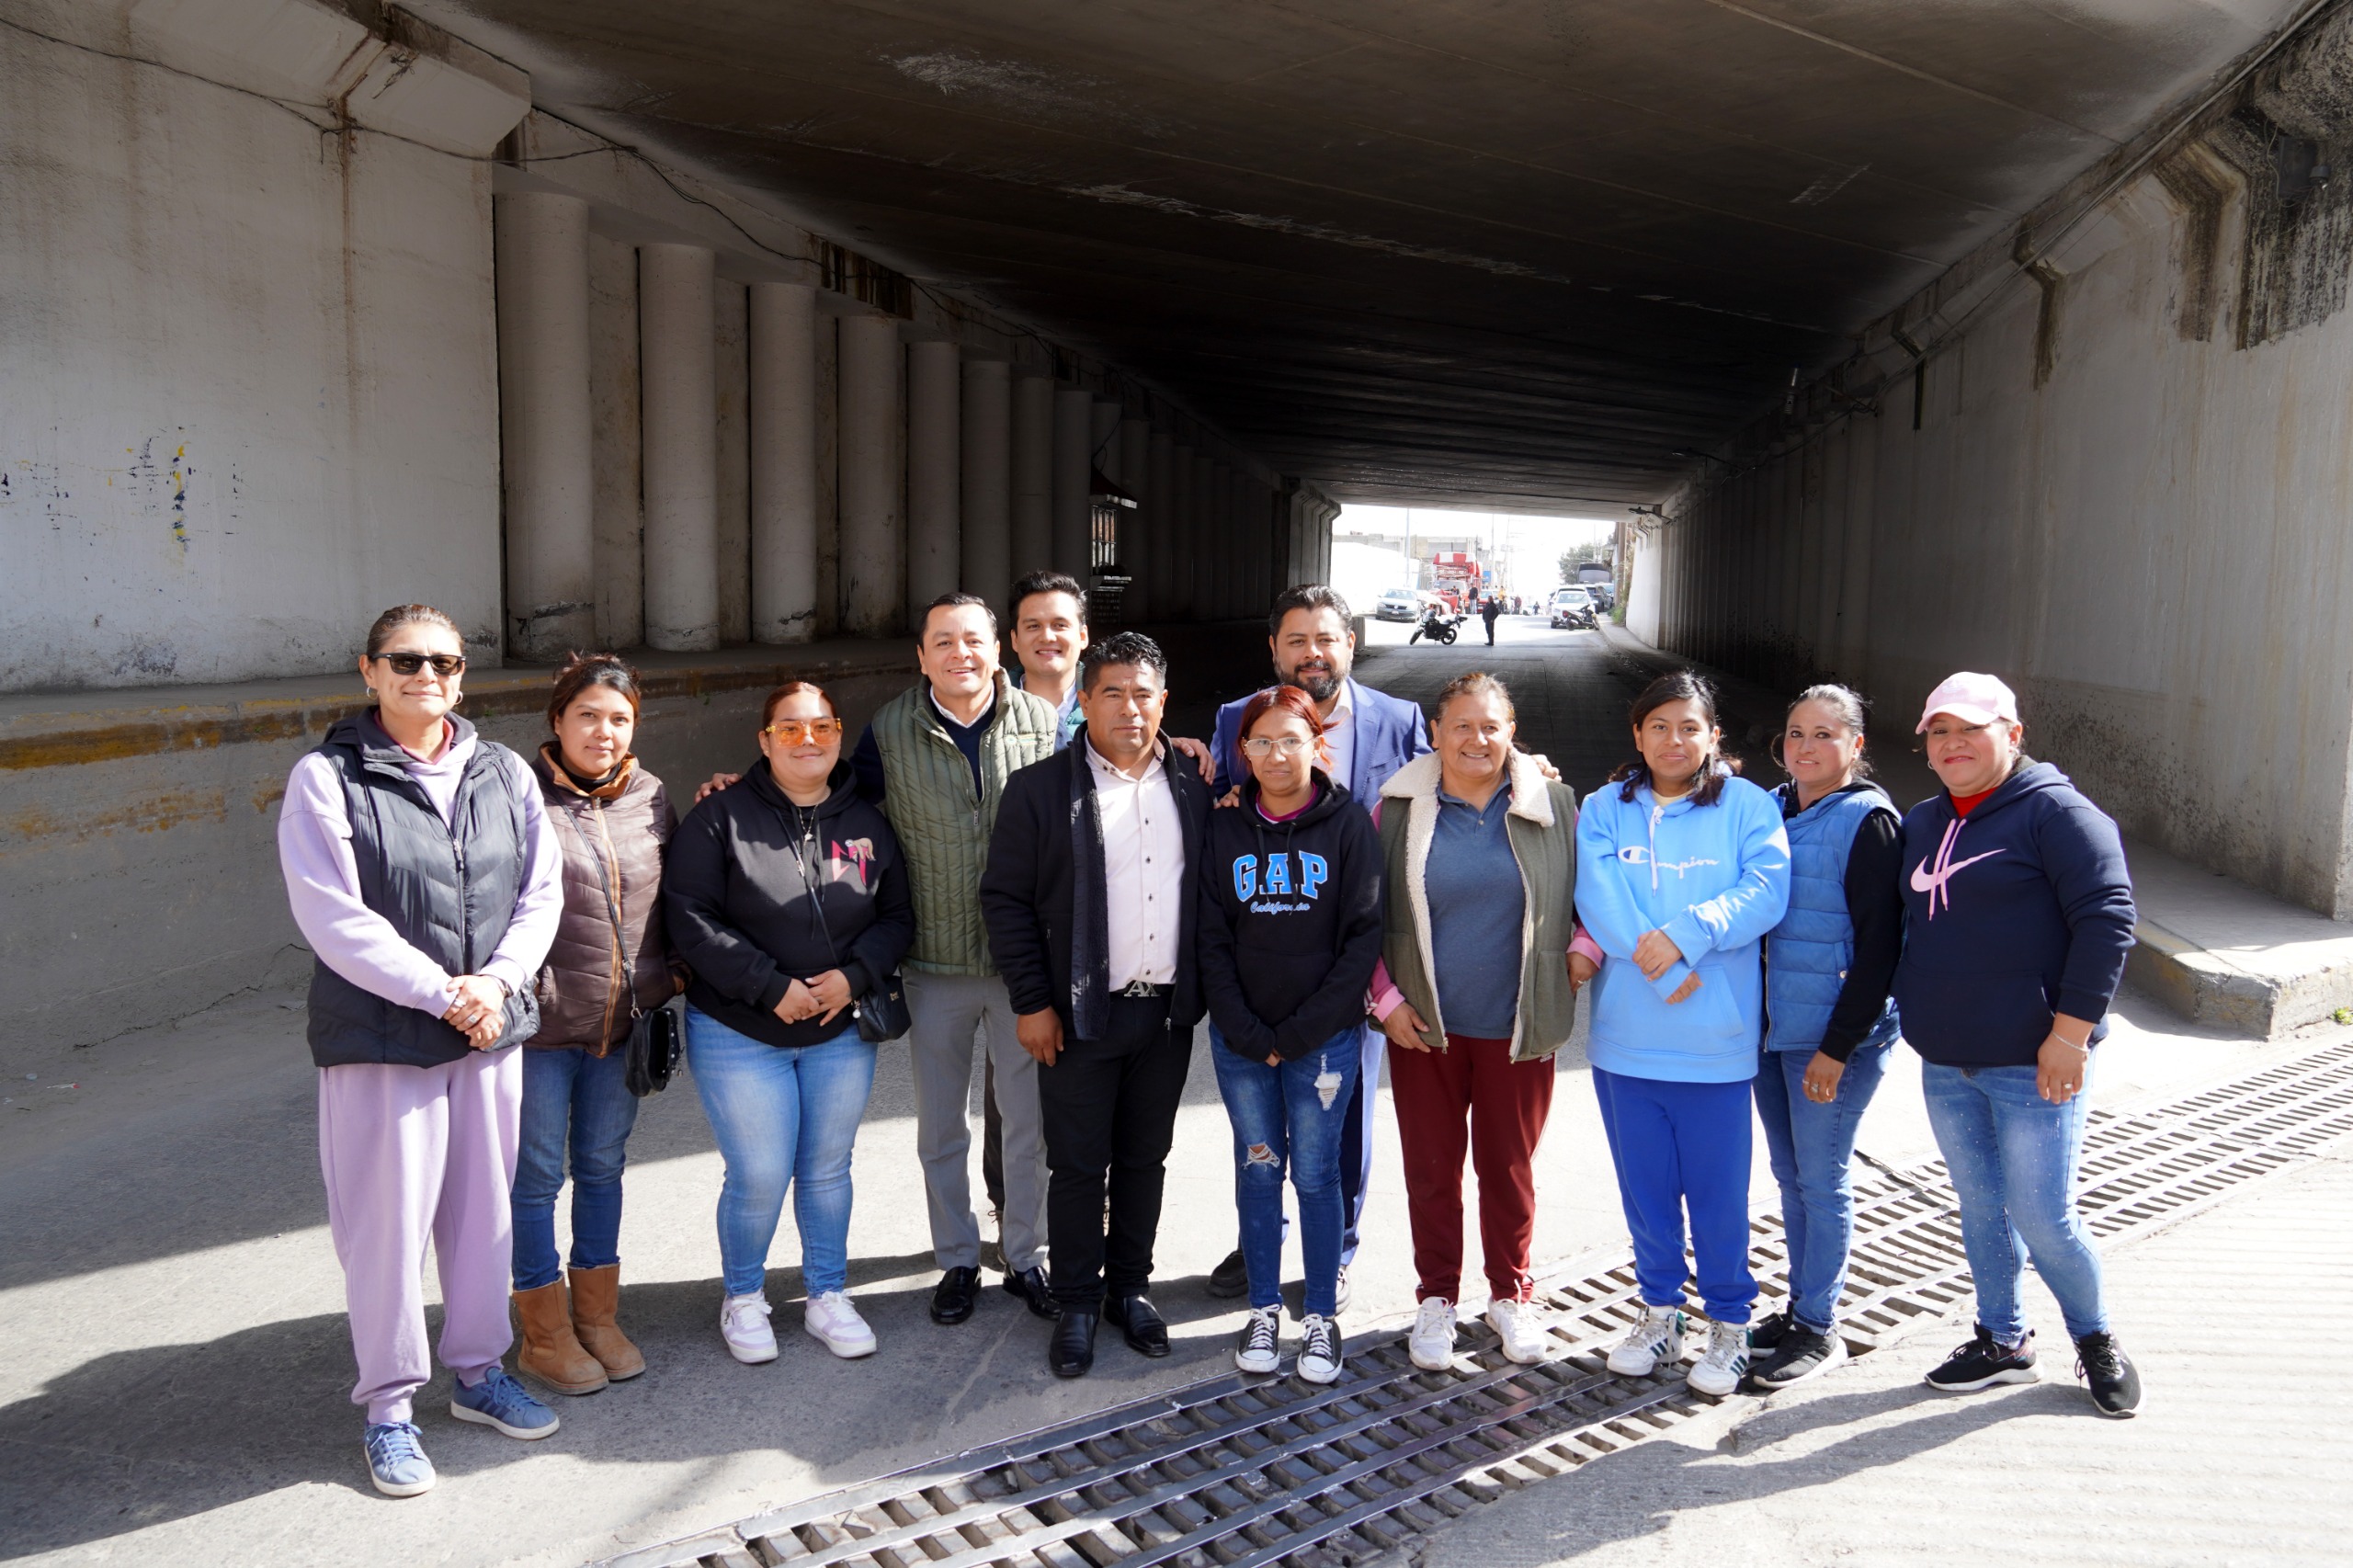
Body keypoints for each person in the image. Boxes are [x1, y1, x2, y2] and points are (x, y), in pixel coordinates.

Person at [276, 604, 563, 1498]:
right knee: (387, 1231)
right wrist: (447, 993)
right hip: (384, 1039)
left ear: (462, 675)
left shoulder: (504, 771)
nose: (425, 674)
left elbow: (540, 891)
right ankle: (390, 1410)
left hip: (487, 1032)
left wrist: (499, 984)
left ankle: (478, 1373)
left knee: (483, 1217)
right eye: (405, 660)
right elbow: (333, 917)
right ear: (370, 670)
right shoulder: (327, 778)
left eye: (443, 660)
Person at [1896, 672, 2141, 1416]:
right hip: (1948, 1060)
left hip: (2035, 1063)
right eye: (1939, 731)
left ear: (2013, 733)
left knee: (2044, 1216)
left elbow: (2109, 918)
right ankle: (2003, 1342)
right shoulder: (1924, 821)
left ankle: (2095, 1337)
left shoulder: (2058, 814)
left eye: (1970, 729)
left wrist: (2070, 1034)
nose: (1953, 744)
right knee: (1981, 1208)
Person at [981, 631, 1213, 1377]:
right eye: (1111, 692)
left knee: (1145, 1158)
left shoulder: (1193, 787)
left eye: (1143, 694)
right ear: (1084, 700)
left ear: (1163, 703)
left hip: (1165, 1014)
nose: (1128, 708)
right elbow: (1005, 901)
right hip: (1080, 1015)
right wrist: (1032, 1002)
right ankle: (1078, 1300)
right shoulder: (1040, 790)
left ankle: (1129, 1290)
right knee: (1078, 1165)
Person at [665, 681, 915, 1363]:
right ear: (765, 740)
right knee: (760, 1172)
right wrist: (768, 985)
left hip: (838, 1030)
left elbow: (897, 916)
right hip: (740, 1031)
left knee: (828, 1168)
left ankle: (827, 1295)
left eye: (823, 727)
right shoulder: (719, 818)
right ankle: (744, 1297)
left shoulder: (867, 823)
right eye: (791, 729)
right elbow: (689, 917)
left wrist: (855, 977)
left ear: (839, 735)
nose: (809, 740)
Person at [1203, 585, 1431, 1307]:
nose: (1313, 653)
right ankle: (1262, 1244)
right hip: (1264, 951)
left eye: (1326, 638)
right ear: (1274, 648)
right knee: (1260, 1126)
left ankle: (1334, 1252)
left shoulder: (1399, 721)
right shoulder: (1237, 719)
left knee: (1344, 1118)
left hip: (1359, 955)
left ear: (1349, 645)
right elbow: (1216, 805)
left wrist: (1526, 767)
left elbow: (1458, 778)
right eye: (1296, 640)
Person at [1574, 670, 1790, 1399]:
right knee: (1647, 1194)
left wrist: (1690, 934)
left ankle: (1730, 1324)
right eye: (1659, 726)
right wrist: (1665, 971)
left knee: (1719, 1197)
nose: (1674, 740)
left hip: (1714, 1045)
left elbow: (1766, 890)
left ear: (1713, 737)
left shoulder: (1748, 806)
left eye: (1690, 727)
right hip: (1626, 1041)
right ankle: (1660, 1314)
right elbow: (1598, 896)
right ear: (1637, 735)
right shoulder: (1604, 808)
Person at [851, 595, 1062, 1325]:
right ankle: (958, 1260)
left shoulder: (1044, 722)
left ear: (997, 649)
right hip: (933, 961)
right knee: (942, 1126)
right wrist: (743, 787)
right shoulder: (888, 731)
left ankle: (1027, 1256)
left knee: (1029, 1122)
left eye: (973, 640)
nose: (959, 654)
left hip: (1021, 965)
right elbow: (835, 802)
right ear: (921, 656)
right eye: (942, 641)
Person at [1369, 673, 1580, 1370]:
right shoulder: (1394, 810)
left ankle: (1510, 1294)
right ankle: (1436, 1298)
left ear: (1512, 731)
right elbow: (1361, 917)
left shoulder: (1554, 805)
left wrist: (1583, 950)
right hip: (1425, 1027)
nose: (1477, 739)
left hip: (1518, 1025)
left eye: (1491, 726)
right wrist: (1384, 1000)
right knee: (1432, 1172)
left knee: (1508, 1168)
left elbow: (1591, 893)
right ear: (1435, 733)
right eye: (1461, 725)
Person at [1198, 685, 1383, 1383]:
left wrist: (1304, 1030)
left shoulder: (1349, 825)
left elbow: (1362, 937)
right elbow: (1210, 936)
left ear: (1317, 745)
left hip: (1323, 1042)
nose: (1277, 755)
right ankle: (1263, 1308)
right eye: (1262, 742)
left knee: (1315, 1174)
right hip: (1242, 1042)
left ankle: (1322, 1317)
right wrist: (1246, 1030)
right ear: (1243, 751)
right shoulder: (1223, 828)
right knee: (1258, 1168)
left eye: (1291, 740)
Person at [510, 653, 680, 1397]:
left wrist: (673, 975)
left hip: (622, 1028)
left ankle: (598, 1319)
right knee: (537, 1178)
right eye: (587, 715)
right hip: (543, 1032)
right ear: (558, 720)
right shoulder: (518, 796)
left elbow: (681, 896)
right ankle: (544, 1334)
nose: (603, 732)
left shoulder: (651, 797)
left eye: (619, 719)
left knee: (604, 1167)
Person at [1745, 684, 1904, 1392]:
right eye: (1796, 733)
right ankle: (1801, 1307)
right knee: (1792, 1177)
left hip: (1834, 1042)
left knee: (1822, 1178)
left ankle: (1819, 1326)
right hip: (1774, 1034)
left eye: (1824, 734)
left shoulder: (1868, 823)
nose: (1806, 747)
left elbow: (1881, 951)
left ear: (1855, 745)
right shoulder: (1771, 807)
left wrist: (1838, 1049)